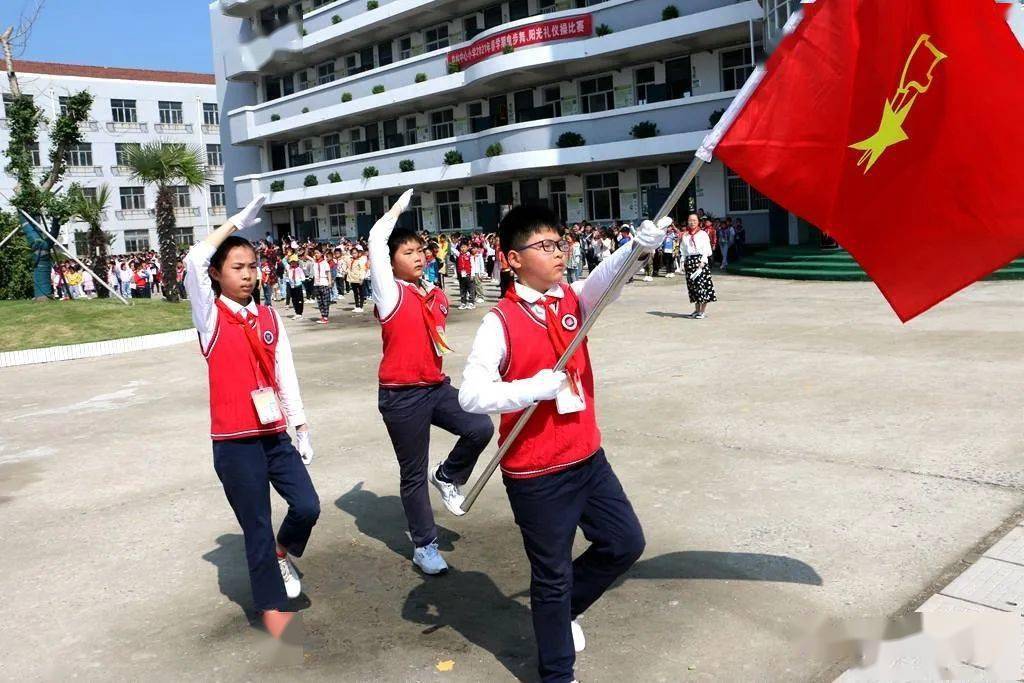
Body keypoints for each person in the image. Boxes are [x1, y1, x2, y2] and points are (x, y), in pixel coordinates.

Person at [458, 204, 670, 683]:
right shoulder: (500, 323)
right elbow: (471, 394)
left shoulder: (572, 300)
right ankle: (557, 673)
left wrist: (637, 247)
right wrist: (530, 388)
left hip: (588, 459)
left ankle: (560, 614)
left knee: (624, 542)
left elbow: (606, 281)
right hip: (537, 474)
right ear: (512, 259)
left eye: (561, 243)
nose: (559, 253)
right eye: (546, 246)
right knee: (550, 576)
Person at [183, 194, 319, 640]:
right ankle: (273, 611)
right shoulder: (210, 318)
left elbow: (286, 375)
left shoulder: (268, 317)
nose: (247, 275)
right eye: (237, 267)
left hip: (275, 434)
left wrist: (299, 426)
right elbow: (193, 258)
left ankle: (284, 554)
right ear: (218, 275)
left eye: (252, 266)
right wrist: (232, 223)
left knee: (306, 505)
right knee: (256, 525)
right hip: (235, 442)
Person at [368, 189, 494, 575]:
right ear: (390, 264)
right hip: (401, 396)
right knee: (412, 473)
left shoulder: (437, 295)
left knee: (479, 425)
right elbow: (375, 240)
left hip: (435, 387)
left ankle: (448, 475)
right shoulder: (389, 293)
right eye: (408, 253)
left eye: (421, 251)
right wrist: (397, 209)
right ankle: (425, 545)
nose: (419, 256)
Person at [681, 213, 717, 319]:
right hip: (690, 261)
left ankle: (702, 311)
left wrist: (703, 261)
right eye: (690, 220)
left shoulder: (702, 234)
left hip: (700, 261)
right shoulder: (685, 235)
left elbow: (707, 249)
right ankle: (696, 310)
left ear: (698, 222)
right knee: (693, 287)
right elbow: (683, 250)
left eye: (694, 220)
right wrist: (683, 261)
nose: (692, 222)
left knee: (702, 286)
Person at [312, 249, 332, 324]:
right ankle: (323, 316)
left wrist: (329, 282)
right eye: (315, 253)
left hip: (324, 283)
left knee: (325, 301)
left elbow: (328, 272)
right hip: (316, 284)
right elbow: (306, 256)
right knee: (320, 301)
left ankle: (326, 317)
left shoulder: (324, 263)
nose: (316, 254)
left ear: (321, 254)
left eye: (317, 253)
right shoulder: (315, 263)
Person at [347, 245, 368, 312]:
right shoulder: (351, 260)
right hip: (353, 279)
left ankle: (361, 306)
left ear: (358, 253)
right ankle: (357, 306)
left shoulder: (360, 260)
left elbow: (363, 269)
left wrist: (362, 278)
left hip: (359, 279)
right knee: (355, 293)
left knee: (361, 293)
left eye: (355, 253)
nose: (354, 254)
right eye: (353, 253)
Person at [286, 256, 306, 320]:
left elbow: (303, 278)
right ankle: (296, 312)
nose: (293, 263)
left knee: (299, 300)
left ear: (297, 262)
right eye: (291, 262)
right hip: (292, 286)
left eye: (294, 262)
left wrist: (299, 280)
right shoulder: (289, 269)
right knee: (294, 300)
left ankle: (300, 313)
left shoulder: (299, 269)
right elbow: (289, 277)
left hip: (298, 286)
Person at [455, 241, 473, 310]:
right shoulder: (458, 254)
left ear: (467, 248)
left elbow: (472, 265)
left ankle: (471, 302)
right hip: (461, 275)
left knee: (470, 289)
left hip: (468, 275)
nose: (463, 248)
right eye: (461, 247)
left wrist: (472, 275)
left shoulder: (469, 256)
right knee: (462, 289)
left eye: (464, 247)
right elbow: (453, 249)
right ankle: (463, 303)